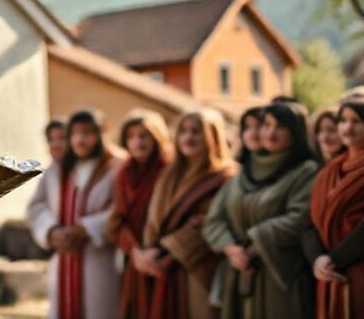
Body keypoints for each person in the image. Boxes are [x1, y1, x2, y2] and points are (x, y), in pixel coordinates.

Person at [204, 102, 318, 319]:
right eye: (266, 125)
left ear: (296, 131)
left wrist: (255, 244)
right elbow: (214, 220)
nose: (270, 132)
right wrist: (231, 249)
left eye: (280, 126)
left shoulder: (306, 172)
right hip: (241, 272)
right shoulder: (243, 173)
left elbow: (300, 217)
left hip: (282, 274)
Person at [136, 109, 235, 319]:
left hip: (199, 268)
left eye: (196, 132)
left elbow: (205, 222)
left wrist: (168, 252)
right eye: (183, 131)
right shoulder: (169, 174)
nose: (188, 137)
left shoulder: (225, 177)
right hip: (162, 266)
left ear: (212, 136)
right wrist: (150, 250)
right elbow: (155, 217)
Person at [28, 111, 123, 319]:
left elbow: (123, 208)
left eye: (87, 133)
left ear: (100, 133)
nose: (80, 140)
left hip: (101, 259)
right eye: (75, 133)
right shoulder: (58, 169)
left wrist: (87, 228)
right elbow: (37, 206)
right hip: (63, 258)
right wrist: (51, 231)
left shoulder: (117, 166)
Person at [105, 109, 171, 319]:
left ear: (156, 137)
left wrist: (159, 251)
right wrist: (134, 250)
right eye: (131, 137)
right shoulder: (123, 173)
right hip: (133, 259)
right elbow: (116, 221)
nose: (138, 142)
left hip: (164, 258)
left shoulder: (169, 171)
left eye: (144, 135)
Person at [304, 95, 364, 319]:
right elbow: (310, 223)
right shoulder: (330, 170)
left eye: (357, 121)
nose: (348, 127)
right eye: (343, 120)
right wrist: (318, 259)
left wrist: (335, 259)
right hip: (329, 274)